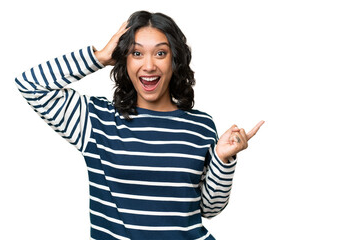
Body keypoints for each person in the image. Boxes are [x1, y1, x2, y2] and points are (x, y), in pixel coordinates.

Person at [15, 10, 264, 240]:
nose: (148, 65)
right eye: (136, 53)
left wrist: (223, 159)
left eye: (160, 53)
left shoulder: (200, 126)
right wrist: (99, 57)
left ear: (174, 60)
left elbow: (209, 209)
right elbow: (30, 85)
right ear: (124, 59)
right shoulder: (95, 120)